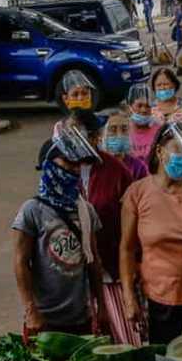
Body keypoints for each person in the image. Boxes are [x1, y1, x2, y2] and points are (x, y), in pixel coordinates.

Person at [120, 118, 182, 346]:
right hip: (158, 298)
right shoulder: (137, 193)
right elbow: (126, 249)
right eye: (178, 150)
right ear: (160, 152)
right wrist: (128, 297)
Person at [13, 128, 104, 337]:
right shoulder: (32, 210)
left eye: (77, 164)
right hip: (43, 319)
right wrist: (30, 310)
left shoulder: (86, 210)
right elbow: (20, 262)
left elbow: (94, 261)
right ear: (49, 165)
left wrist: (102, 307)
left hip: (80, 316)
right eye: (67, 163)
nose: (74, 170)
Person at [68, 111, 141, 343]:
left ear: (94, 137)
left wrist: (135, 262)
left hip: (111, 269)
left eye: (78, 136)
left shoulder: (116, 171)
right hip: (74, 272)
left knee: (123, 337)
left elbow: (134, 221)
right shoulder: (62, 168)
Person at [102, 111, 149, 180]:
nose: (120, 135)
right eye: (113, 130)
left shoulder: (138, 167)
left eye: (124, 129)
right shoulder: (98, 166)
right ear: (102, 134)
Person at [129, 81, 162, 163]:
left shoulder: (159, 130)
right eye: (139, 106)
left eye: (148, 106)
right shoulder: (123, 130)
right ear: (130, 107)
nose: (144, 110)